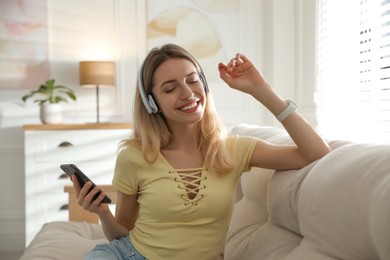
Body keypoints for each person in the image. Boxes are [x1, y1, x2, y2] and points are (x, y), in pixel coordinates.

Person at [71, 43, 331, 260]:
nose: (187, 93)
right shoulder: (133, 156)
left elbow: (316, 153)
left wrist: (260, 89)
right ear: (152, 103)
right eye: (170, 88)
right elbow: (122, 232)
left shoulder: (233, 149)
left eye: (193, 81)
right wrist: (103, 213)